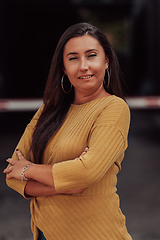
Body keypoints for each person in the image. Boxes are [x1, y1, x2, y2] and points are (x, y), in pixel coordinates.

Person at [3, 22, 132, 240]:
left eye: (91, 55)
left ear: (106, 60)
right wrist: (63, 184)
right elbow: (12, 175)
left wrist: (29, 169)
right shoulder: (48, 110)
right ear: (63, 67)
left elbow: (85, 172)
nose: (83, 66)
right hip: (45, 233)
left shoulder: (114, 108)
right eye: (73, 58)